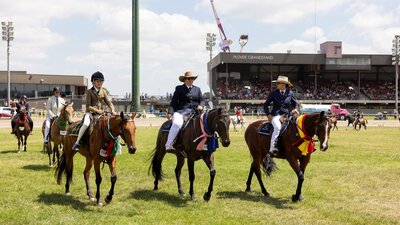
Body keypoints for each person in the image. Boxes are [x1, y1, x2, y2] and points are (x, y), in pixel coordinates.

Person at [72, 71, 117, 153]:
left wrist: (113, 110)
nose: (100, 83)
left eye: (101, 81)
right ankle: (77, 142)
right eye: (98, 81)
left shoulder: (103, 91)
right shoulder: (89, 92)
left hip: (101, 113)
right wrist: (97, 111)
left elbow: (108, 102)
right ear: (93, 82)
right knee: (85, 124)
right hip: (90, 113)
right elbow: (88, 106)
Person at [165, 71, 205, 151]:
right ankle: (169, 144)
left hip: (195, 111)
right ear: (185, 79)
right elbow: (174, 101)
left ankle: (207, 144)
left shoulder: (197, 89)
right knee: (177, 124)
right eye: (189, 78)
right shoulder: (179, 88)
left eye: (192, 78)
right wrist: (170, 112)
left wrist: (201, 105)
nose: (191, 80)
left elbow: (202, 99)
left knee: (207, 123)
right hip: (181, 111)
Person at [263, 75, 298, 156]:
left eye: (278, 83)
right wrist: (268, 115)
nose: (277, 84)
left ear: (283, 84)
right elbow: (265, 105)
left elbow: (295, 103)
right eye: (277, 83)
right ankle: (272, 147)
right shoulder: (273, 93)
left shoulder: (290, 93)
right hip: (276, 115)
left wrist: (295, 109)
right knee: (278, 127)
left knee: (297, 127)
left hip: (287, 115)